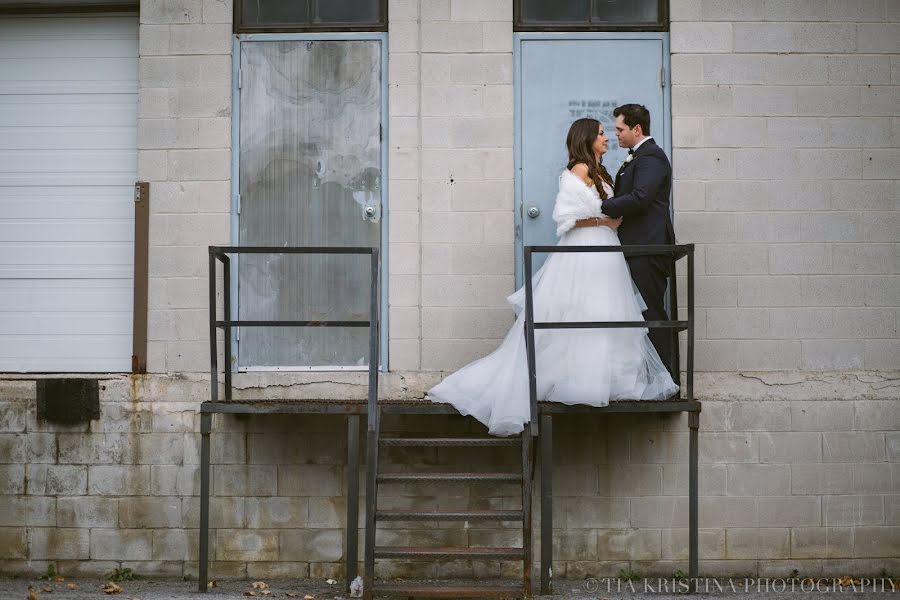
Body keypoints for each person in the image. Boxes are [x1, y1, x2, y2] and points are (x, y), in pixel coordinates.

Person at [427, 118, 678, 436]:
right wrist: (603, 223)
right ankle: (576, 380)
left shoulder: (601, 172)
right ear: (587, 139)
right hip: (586, 247)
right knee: (581, 309)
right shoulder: (578, 170)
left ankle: (607, 379)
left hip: (608, 251)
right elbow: (566, 216)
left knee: (606, 310)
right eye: (602, 134)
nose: (607, 139)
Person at [601, 104, 678, 372]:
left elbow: (641, 197)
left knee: (651, 312)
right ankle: (650, 377)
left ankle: (665, 380)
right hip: (638, 247)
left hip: (649, 247)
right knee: (641, 311)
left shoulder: (651, 158)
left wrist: (604, 206)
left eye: (620, 129)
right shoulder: (639, 156)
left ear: (637, 129)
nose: (616, 134)